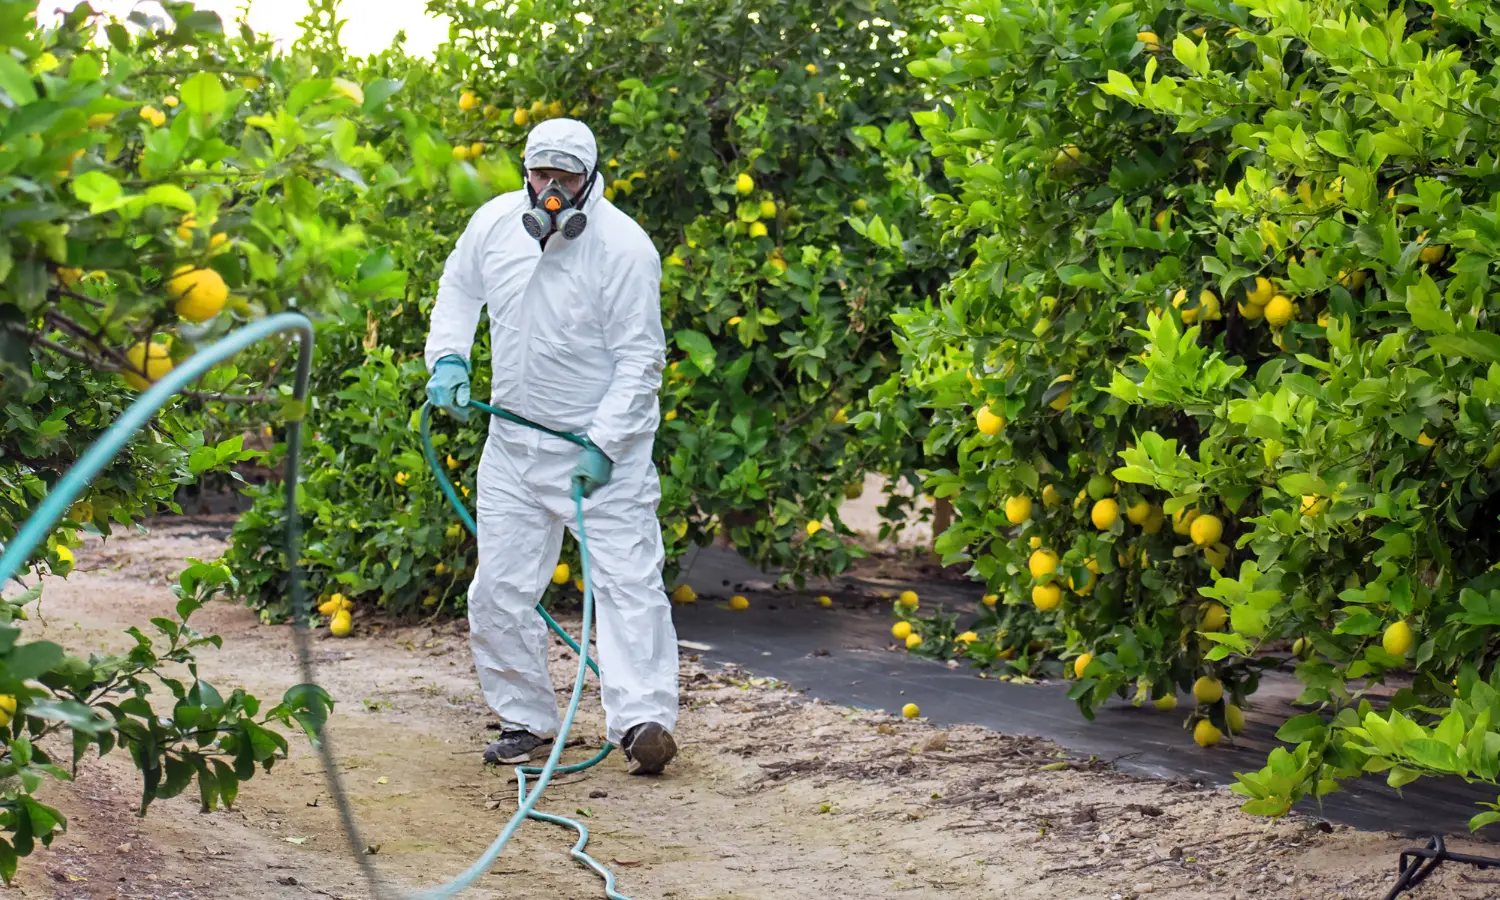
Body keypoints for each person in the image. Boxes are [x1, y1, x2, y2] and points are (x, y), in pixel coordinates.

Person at [423, 117, 679, 775]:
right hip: (512, 444)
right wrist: (449, 359)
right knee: (499, 587)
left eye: (567, 177)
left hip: (601, 455)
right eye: (544, 175)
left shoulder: (624, 249)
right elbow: (458, 291)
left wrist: (604, 442)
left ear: (590, 177)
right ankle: (525, 720)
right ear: (526, 172)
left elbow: (640, 359)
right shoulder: (493, 225)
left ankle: (642, 722)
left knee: (627, 583)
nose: (553, 190)